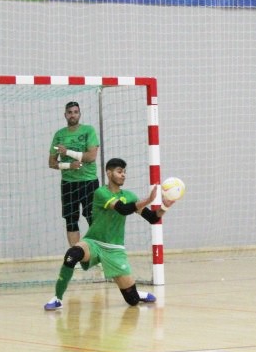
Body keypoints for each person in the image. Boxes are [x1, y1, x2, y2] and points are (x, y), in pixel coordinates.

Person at [44, 158, 175, 310]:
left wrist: (165, 206)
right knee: (72, 254)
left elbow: (152, 218)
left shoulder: (130, 196)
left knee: (132, 301)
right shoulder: (101, 193)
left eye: (124, 172)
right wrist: (148, 200)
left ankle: (136, 294)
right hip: (93, 242)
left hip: (114, 249)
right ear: (109, 173)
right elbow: (122, 209)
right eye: (119, 172)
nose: (123, 175)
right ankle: (57, 298)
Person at [49, 101, 100, 246]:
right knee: (71, 220)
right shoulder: (59, 135)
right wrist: (69, 165)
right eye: (70, 112)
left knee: (93, 218)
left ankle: (97, 256)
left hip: (88, 181)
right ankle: (76, 258)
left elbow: (91, 156)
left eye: (75, 112)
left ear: (79, 114)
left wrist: (68, 152)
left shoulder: (88, 131)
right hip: (68, 183)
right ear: (65, 115)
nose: (73, 115)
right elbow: (52, 163)